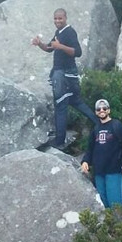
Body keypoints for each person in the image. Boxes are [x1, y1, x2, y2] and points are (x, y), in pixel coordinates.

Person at [30, 8, 97, 148]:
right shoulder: (58, 33)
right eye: (55, 19)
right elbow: (50, 48)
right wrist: (39, 44)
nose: (57, 21)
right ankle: (99, 123)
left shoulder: (69, 32)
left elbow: (77, 52)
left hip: (64, 75)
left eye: (60, 18)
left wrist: (60, 46)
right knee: (75, 101)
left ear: (65, 18)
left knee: (60, 106)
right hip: (66, 74)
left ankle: (59, 142)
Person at [80, 99, 122, 208]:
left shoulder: (117, 125)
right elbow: (90, 148)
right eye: (98, 109)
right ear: (96, 112)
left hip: (114, 171)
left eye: (104, 108)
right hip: (99, 173)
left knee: (117, 206)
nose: (101, 110)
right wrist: (85, 161)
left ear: (108, 110)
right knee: (104, 206)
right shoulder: (95, 129)